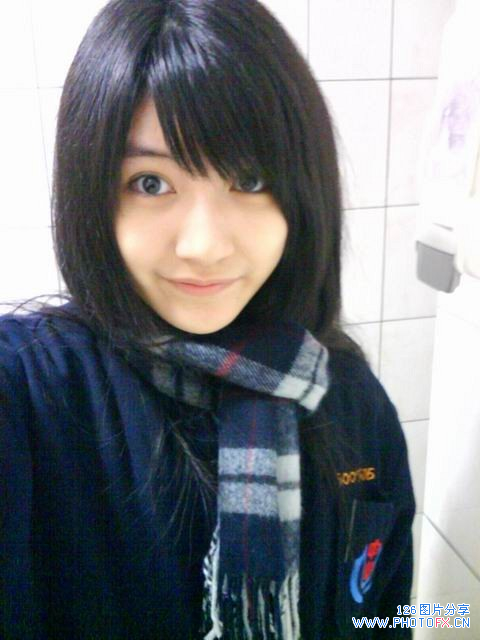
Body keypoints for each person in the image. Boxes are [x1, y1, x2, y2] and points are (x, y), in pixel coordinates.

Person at [0, 0, 415, 638]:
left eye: (248, 179)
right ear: (92, 195)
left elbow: (389, 612)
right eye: (150, 183)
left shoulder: (351, 399)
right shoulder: (32, 394)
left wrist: (453, 616)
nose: (203, 246)